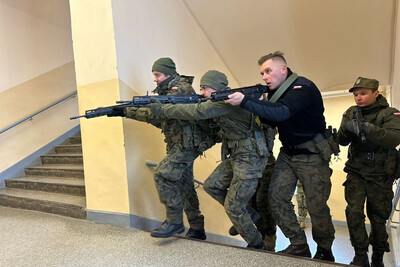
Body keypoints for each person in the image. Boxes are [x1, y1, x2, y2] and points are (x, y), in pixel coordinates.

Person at [140, 70, 269, 250]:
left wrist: (161, 109)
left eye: (204, 88)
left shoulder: (227, 101)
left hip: (251, 158)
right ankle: (248, 214)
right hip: (238, 156)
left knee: (233, 207)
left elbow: (197, 111)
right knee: (211, 185)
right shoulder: (219, 101)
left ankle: (257, 246)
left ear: (217, 88)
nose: (201, 92)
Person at [225, 51, 336, 261]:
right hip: (288, 154)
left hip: (312, 154)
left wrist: (246, 102)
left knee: (316, 206)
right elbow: (271, 122)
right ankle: (298, 244)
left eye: (268, 71)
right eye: (262, 74)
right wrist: (258, 105)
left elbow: (282, 112)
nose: (265, 77)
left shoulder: (302, 87)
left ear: (283, 69)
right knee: (276, 197)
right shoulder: (275, 94)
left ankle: (324, 250)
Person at [109, 57, 216, 240]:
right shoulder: (166, 90)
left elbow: (162, 112)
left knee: (162, 174)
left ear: (168, 73)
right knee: (184, 185)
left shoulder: (180, 89)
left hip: (186, 145)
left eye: (157, 74)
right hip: (179, 144)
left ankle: (174, 221)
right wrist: (128, 112)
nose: (155, 79)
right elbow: (159, 119)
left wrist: (128, 111)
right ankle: (197, 228)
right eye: (154, 75)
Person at [337, 77, 400, 267]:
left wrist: (368, 128)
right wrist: (348, 129)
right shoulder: (351, 113)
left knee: (378, 218)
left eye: (363, 93)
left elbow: (393, 139)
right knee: (353, 212)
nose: (358, 98)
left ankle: (378, 256)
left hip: (380, 174)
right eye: (356, 94)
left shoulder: (390, 114)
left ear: (376, 93)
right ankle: (360, 254)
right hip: (356, 171)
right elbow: (341, 140)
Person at [228, 123, 278, 252]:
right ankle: (250, 228)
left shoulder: (264, 114)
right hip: (247, 162)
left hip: (266, 162)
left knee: (263, 202)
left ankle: (269, 235)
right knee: (249, 200)